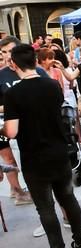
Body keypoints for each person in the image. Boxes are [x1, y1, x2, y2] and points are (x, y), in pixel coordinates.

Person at [1, 44, 81, 248]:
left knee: (46, 207)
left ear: (13, 64)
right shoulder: (51, 85)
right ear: (36, 61)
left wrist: (2, 128)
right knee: (68, 199)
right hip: (59, 152)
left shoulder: (13, 94)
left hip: (34, 157)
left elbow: (11, 132)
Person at [0, 36, 36, 206]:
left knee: (29, 159)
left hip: (30, 125)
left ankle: (32, 188)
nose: (7, 55)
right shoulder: (1, 75)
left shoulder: (31, 70)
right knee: (9, 160)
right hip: (4, 123)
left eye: (11, 51)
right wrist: (12, 105)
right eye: (4, 52)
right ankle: (18, 191)